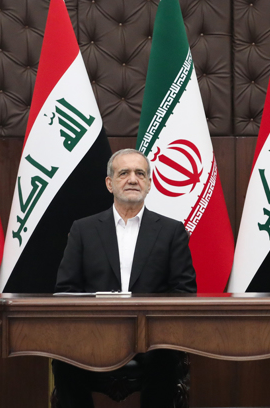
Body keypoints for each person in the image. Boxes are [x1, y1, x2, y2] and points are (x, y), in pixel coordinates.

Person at [52, 148, 196, 408]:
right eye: (124, 173)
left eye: (140, 173)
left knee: (165, 358)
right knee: (64, 361)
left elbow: (184, 292)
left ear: (150, 184)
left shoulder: (171, 231)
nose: (133, 179)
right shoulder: (83, 230)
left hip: (153, 340)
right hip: (93, 336)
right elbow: (66, 290)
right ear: (110, 183)